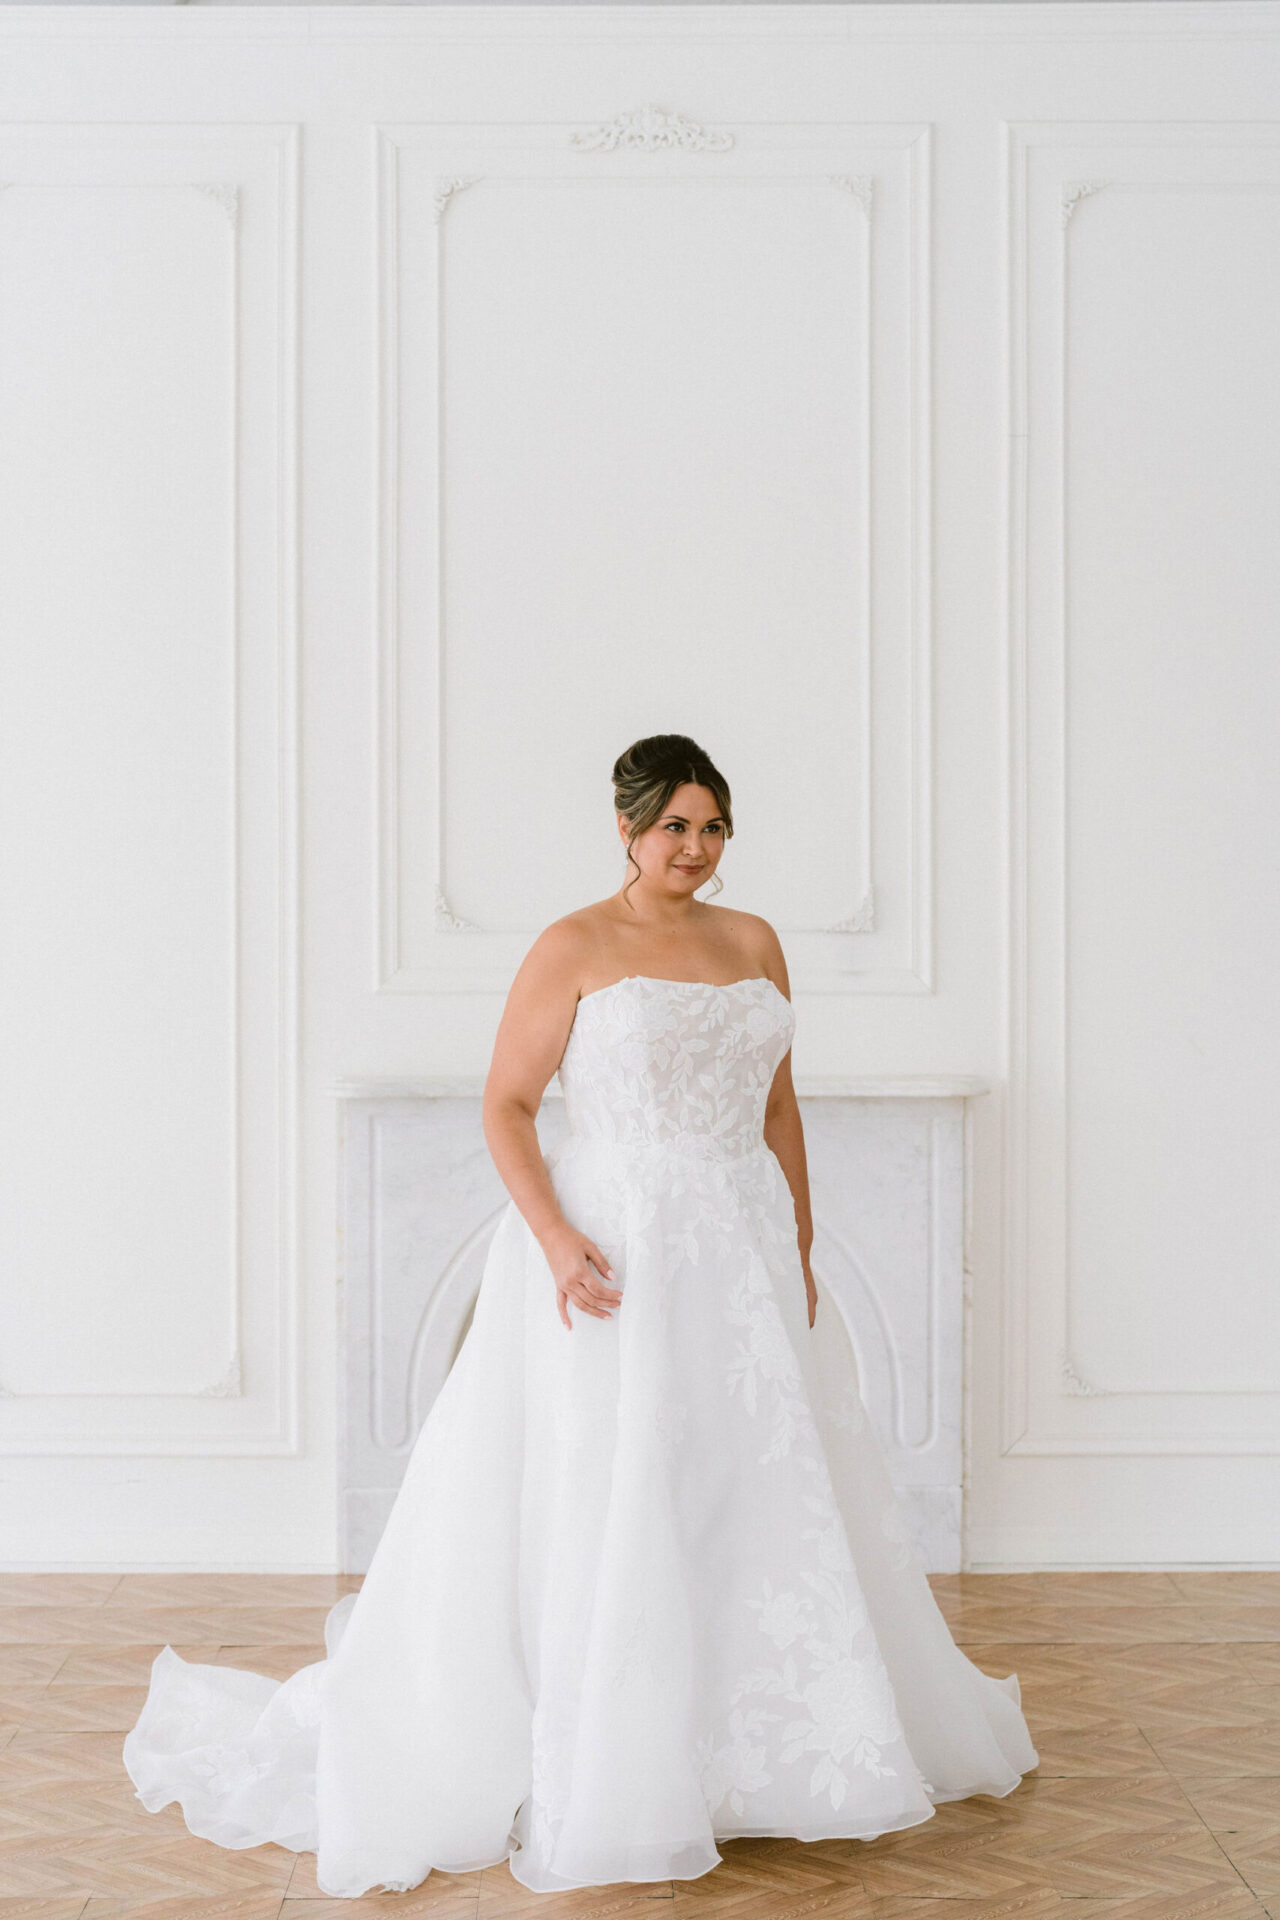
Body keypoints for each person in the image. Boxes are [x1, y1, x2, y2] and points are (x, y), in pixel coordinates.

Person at [123, 732, 1037, 1897]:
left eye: (711, 830)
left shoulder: (752, 943)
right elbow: (506, 1106)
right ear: (626, 826)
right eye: (673, 829)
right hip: (615, 1249)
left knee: (745, 1482)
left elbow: (777, 1108)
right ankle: (620, 1754)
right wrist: (556, 1236)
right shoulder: (573, 947)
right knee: (619, 1482)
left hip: (739, 1255)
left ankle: (760, 1753)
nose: (693, 851)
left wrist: (795, 1241)